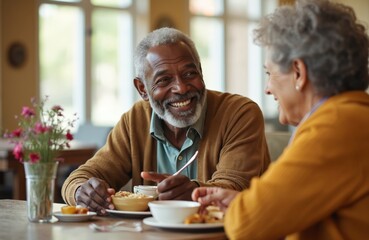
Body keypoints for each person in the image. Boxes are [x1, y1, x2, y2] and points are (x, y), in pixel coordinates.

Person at [192, 0, 369, 239]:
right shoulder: (354, 118)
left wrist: (242, 209)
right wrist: (240, 202)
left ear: (298, 72)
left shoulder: (337, 126)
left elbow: (247, 224)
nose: (267, 88)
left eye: (269, 73)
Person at [61, 27, 271, 214]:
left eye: (190, 73)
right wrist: (83, 191)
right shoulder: (135, 120)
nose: (181, 88)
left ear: (201, 71)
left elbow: (235, 186)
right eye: (164, 80)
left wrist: (193, 192)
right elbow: (82, 176)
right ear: (142, 89)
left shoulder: (240, 113)